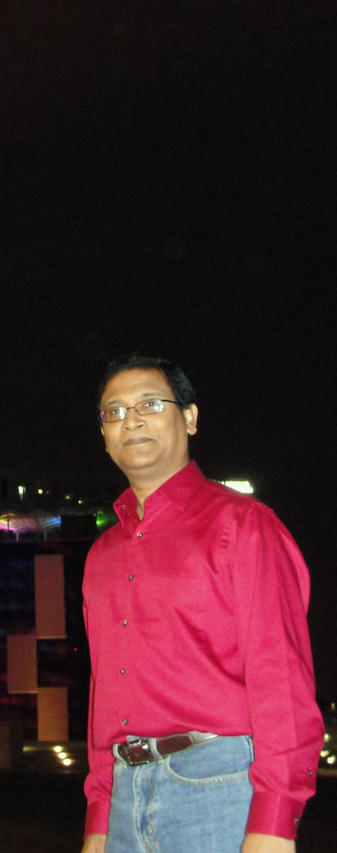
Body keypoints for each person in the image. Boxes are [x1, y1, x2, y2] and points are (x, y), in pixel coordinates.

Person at [81, 354, 323, 853]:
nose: (131, 420)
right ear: (103, 434)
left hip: (219, 787)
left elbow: (280, 678)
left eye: (150, 404)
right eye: (115, 412)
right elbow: (105, 693)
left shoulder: (244, 525)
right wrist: (99, 819)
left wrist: (275, 821)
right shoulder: (101, 556)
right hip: (124, 797)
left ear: (189, 417)